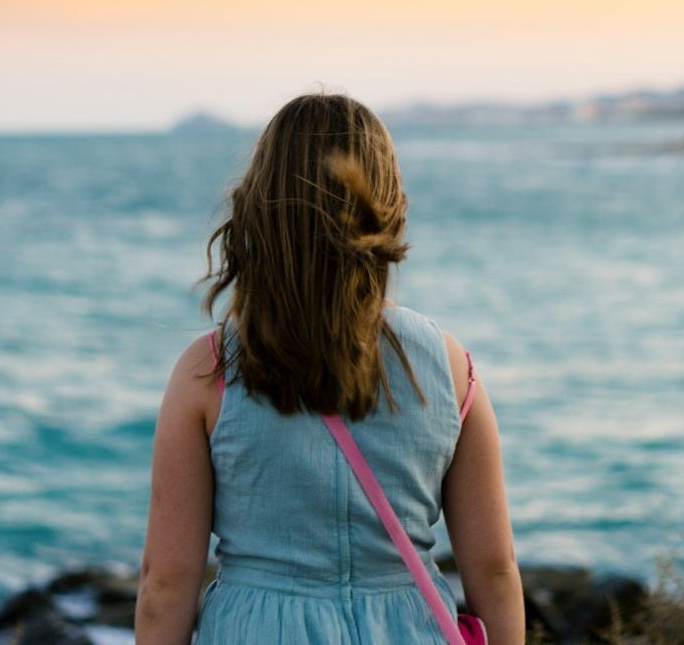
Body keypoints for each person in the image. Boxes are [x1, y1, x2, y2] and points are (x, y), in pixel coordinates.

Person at [135, 93, 524, 644]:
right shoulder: (449, 364)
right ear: (387, 204)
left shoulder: (210, 371)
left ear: (261, 207)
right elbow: (494, 570)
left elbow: (167, 582)